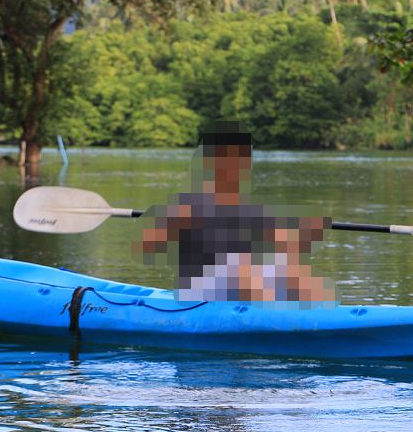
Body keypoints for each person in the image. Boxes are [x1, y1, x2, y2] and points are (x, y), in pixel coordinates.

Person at [136, 124, 335, 304]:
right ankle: (275, 316)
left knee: (297, 270)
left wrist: (305, 230)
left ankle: (319, 318)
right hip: (201, 292)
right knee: (246, 269)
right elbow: (148, 247)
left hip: (242, 286)